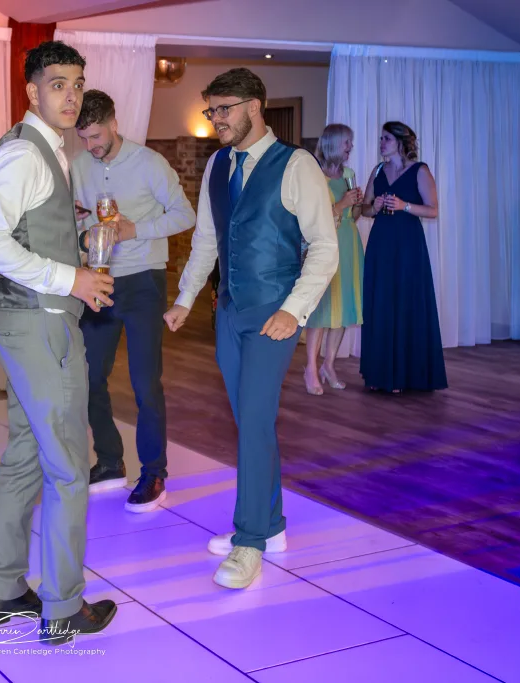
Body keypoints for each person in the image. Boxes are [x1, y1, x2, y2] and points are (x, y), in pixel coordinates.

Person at [164, 68, 337, 589]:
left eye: (225, 109)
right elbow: (206, 242)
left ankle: (249, 541)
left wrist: (295, 310)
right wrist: (185, 299)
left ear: (255, 106)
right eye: (210, 110)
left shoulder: (297, 165)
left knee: (256, 420)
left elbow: (325, 247)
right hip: (230, 311)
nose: (215, 119)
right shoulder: (218, 164)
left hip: (273, 314)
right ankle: (274, 526)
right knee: (250, 422)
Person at [0, 40, 117, 645]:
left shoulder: (42, 152)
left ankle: (2, 593)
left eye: (78, 84)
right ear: (31, 91)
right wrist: (72, 277)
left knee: (27, 458)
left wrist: (74, 242)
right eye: (58, 84)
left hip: (26, 318)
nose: (72, 95)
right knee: (67, 471)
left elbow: (21, 232)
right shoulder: (26, 154)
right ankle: (62, 608)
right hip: (38, 322)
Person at [73, 89, 195, 512]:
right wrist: (78, 224)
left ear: (113, 122)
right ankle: (109, 462)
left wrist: (134, 229)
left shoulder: (149, 163)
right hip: (99, 282)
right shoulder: (77, 166)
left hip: (143, 280)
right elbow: (76, 220)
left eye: (96, 136)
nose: (91, 146)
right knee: (89, 379)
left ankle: (154, 472)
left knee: (146, 384)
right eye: (84, 138)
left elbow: (185, 214)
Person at [359, 121, 447, 393]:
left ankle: (406, 374)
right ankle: (379, 374)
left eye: (386, 138)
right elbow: (364, 209)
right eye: (381, 139)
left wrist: (404, 206)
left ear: (400, 142)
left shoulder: (420, 171)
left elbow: (433, 210)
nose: (381, 143)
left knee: (406, 301)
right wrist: (371, 206)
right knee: (381, 303)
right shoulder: (377, 170)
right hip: (381, 244)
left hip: (408, 245)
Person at [303, 124, 365, 395]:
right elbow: (310, 218)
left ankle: (329, 365)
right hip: (325, 246)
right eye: (346, 143)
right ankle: (310, 369)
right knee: (321, 310)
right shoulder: (314, 175)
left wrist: (357, 204)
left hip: (349, 244)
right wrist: (341, 204)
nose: (350, 147)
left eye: (350, 143)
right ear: (332, 144)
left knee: (343, 310)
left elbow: (354, 217)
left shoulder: (348, 174)